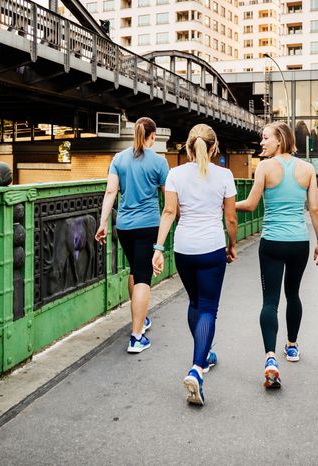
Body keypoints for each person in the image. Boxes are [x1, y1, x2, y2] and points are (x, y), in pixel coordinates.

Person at [235, 121, 318, 389]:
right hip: (299, 241)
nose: (261, 143)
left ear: (280, 140)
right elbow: (315, 209)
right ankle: (293, 346)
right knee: (293, 294)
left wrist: (226, 202)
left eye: (265, 138)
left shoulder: (264, 168)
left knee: (270, 301)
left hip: (272, 242)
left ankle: (270, 358)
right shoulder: (307, 169)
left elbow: (250, 205)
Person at [152, 124, 238, 406]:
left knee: (195, 303)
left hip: (184, 249)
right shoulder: (224, 175)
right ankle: (197, 368)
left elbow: (168, 212)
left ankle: (205, 354)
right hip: (212, 247)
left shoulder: (175, 174)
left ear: (188, 147)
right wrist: (232, 244)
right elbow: (231, 219)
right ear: (214, 148)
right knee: (209, 308)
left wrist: (158, 247)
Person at [95, 117, 169, 353]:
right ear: (153, 136)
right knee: (144, 277)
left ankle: (140, 319)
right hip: (148, 225)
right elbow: (169, 200)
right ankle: (136, 337)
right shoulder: (159, 162)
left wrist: (103, 222)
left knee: (135, 271)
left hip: (124, 226)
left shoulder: (119, 158)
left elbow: (110, 191)